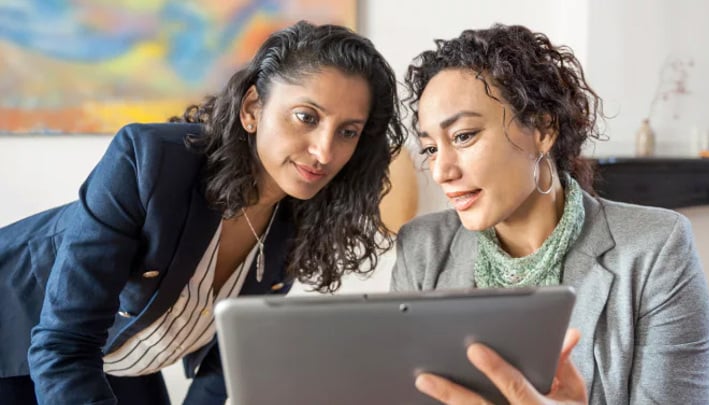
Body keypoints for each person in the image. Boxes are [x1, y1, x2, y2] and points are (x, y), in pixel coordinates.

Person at [0, 20, 405, 404]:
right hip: (21, 345)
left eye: (348, 131)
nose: (324, 151)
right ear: (251, 109)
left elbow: (226, 358)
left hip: (125, 361)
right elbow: (63, 346)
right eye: (306, 117)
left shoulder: (304, 214)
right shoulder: (148, 162)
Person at [393, 24, 709, 404]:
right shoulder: (422, 250)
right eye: (430, 149)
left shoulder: (656, 249)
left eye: (463, 136)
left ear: (544, 128)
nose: (442, 171)